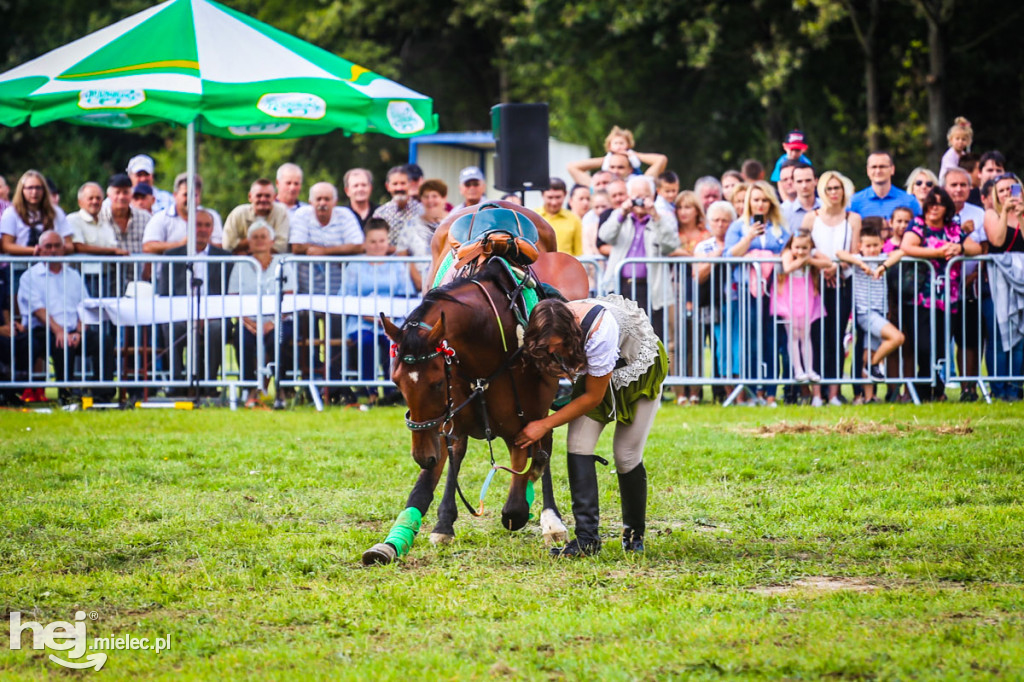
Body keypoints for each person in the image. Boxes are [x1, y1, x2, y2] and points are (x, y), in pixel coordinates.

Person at [514, 294, 668, 556]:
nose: (551, 351)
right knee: (578, 445)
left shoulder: (598, 331)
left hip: (637, 371)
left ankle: (634, 534)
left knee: (626, 455)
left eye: (555, 346)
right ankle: (587, 540)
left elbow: (593, 397)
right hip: (601, 374)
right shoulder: (547, 325)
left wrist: (545, 424)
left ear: (568, 333)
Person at [17, 230, 115, 402]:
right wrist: (60, 331)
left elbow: (85, 307)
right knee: (62, 343)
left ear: (63, 249)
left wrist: (79, 331)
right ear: (39, 250)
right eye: (48, 246)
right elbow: (38, 311)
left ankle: (103, 393)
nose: (53, 250)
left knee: (103, 340)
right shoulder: (29, 276)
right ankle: (66, 393)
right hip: (43, 330)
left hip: (73, 329)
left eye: (57, 246)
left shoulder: (74, 275)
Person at [724, 180, 790, 407]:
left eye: (764, 200)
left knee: (772, 342)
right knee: (750, 342)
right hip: (746, 291)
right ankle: (752, 393)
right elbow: (729, 255)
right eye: (756, 200)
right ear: (749, 202)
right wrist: (749, 238)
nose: (760, 204)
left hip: (774, 291)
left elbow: (786, 252)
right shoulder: (738, 227)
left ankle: (771, 393)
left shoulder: (781, 227)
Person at [899, 187, 968, 400]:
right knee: (923, 345)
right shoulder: (918, 224)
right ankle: (924, 388)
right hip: (921, 296)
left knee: (940, 346)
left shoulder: (953, 228)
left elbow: (974, 247)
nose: (934, 208)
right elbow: (907, 246)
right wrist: (938, 252)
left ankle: (935, 390)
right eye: (930, 203)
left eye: (938, 204)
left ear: (946, 207)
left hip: (948, 297)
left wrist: (960, 249)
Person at [340, 220, 418, 406]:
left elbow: (405, 294)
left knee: (392, 345)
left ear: (387, 242)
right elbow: (346, 297)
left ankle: (393, 392)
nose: (377, 246)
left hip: (393, 321)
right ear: (365, 243)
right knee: (366, 342)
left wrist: (387, 320)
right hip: (362, 320)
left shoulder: (398, 265)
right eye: (373, 241)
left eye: (381, 241)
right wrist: (372, 317)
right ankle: (370, 391)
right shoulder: (354, 266)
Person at [157, 209, 233, 397]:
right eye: (198, 225)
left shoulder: (224, 257)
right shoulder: (172, 256)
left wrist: (208, 317)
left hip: (214, 315)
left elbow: (228, 295)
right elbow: (166, 294)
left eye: (207, 225)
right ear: (189, 227)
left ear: (212, 229)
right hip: (180, 315)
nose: (202, 229)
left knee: (216, 328)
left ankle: (209, 384)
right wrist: (188, 317)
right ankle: (176, 383)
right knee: (171, 327)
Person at [803, 170, 862, 406]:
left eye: (837, 188)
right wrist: (824, 266)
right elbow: (802, 248)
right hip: (815, 285)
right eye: (829, 188)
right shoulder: (811, 218)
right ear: (822, 191)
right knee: (816, 337)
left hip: (842, 282)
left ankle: (834, 392)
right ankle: (817, 393)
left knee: (837, 337)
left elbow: (854, 252)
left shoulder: (853, 218)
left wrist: (836, 267)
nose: (834, 193)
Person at [598, 175, 681, 341]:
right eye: (636, 197)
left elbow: (671, 244)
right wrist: (622, 212)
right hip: (621, 286)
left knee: (653, 338)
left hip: (651, 288)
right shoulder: (619, 215)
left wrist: (655, 216)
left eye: (645, 197)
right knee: (621, 339)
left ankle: (655, 368)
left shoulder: (662, 218)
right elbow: (604, 235)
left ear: (654, 197)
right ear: (629, 197)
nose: (641, 201)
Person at [228, 220, 296, 407]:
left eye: (263, 237)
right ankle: (250, 388)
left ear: (271, 241)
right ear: (249, 242)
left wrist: (271, 324)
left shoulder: (283, 264)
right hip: (248, 322)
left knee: (278, 340)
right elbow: (233, 298)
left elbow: (289, 299)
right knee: (243, 339)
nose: (259, 241)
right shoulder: (241, 265)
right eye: (255, 237)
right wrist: (250, 324)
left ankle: (280, 389)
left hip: (279, 321)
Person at [837, 220, 905, 403]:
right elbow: (840, 253)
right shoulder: (859, 261)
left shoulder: (882, 259)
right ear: (860, 246)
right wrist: (861, 264)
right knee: (897, 338)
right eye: (868, 245)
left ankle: (869, 396)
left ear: (881, 244)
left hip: (880, 311)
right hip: (866, 313)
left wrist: (882, 267)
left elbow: (900, 252)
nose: (872, 249)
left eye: (875, 245)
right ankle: (875, 366)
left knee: (869, 353)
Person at [772, 229, 829, 405]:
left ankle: (809, 368)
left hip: (806, 296)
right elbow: (788, 267)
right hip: (789, 296)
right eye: (797, 247)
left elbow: (828, 262)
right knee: (793, 335)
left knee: (806, 334)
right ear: (792, 245)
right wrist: (803, 260)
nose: (801, 251)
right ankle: (798, 369)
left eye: (805, 248)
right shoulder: (788, 253)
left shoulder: (810, 254)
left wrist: (809, 259)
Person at [945, 167, 987, 402]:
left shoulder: (979, 213)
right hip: (941, 289)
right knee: (938, 338)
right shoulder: (938, 211)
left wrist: (973, 277)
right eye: (953, 185)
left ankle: (968, 387)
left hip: (970, 288)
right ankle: (935, 387)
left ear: (970, 188)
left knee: (969, 339)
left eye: (963, 185)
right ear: (945, 187)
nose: (958, 189)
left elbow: (985, 248)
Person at [982, 173, 1024, 401]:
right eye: (1002, 190)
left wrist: (1021, 216)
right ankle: (998, 390)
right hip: (997, 285)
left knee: (1020, 338)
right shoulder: (991, 214)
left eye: (1012, 189)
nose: (1008, 194)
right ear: (995, 195)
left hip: (1021, 285)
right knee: (998, 338)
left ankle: (1015, 387)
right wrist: (1005, 213)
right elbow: (997, 241)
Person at [694, 201, 740, 403]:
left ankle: (744, 393)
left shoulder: (738, 243)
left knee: (741, 346)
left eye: (725, 220)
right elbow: (698, 275)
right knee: (723, 347)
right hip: (715, 303)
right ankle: (730, 392)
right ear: (709, 222)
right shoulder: (704, 246)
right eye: (716, 220)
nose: (721, 224)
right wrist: (715, 256)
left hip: (739, 301)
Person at [289, 181, 365, 295]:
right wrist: (340, 251)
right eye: (318, 199)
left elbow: (359, 246)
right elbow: (297, 246)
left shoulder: (345, 215)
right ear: (310, 202)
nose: (322, 203)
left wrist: (324, 251)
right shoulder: (302, 214)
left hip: (339, 291)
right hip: (306, 290)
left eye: (327, 199)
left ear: (335, 202)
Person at [669, 191, 709, 404]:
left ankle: (695, 391)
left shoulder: (706, 234)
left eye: (688, 207)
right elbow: (667, 251)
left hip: (700, 291)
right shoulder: (672, 233)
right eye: (680, 207)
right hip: (675, 288)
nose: (683, 212)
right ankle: (679, 393)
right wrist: (690, 255)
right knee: (676, 342)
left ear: (697, 211)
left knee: (696, 342)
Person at [142, 173, 224, 254]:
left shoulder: (210, 216)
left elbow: (220, 246)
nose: (190, 200)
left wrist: (202, 243)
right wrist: (181, 245)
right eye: (186, 195)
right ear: (175, 195)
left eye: (195, 195)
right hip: (171, 267)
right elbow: (148, 246)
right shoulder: (161, 218)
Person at [1, 170, 73, 255]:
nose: (34, 192)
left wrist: (56, 249)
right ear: (22, 190)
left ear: (44, 190)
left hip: (51, 266)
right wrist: (35, 251)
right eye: (30, 188)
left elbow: (69, 245)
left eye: (38, 188)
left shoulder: (56, 211)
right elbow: (6, 246)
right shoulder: (11, 212)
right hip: (21, 267)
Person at [223, 178, 291, 254]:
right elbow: (228, 245)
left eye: (267, 196)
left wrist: (248, 250)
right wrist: (264, 242)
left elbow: (281, 246)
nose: (263, 199)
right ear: (250, 197)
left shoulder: (281, 213)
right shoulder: (238, 213)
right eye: (259, 195)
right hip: (240, 264)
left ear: (274, 197)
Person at [851, 151, 921, 220]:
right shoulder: (855, 202)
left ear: (892, 169)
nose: (878, 171)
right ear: (868, 171)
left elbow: (919, 228)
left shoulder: (909, 201)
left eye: (882, 167)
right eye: (874, 167)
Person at [372, 166, 425, 251]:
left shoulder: (422, 211)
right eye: (395, 184)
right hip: (388, 262)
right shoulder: (380, 214)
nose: (399, 188)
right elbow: (375, 245)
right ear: (388, 186)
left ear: (410, 184)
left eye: (403, 183)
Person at [539, 178, 583, 256]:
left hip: (567, 266)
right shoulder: (534, 217)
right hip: (540, 266)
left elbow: (579, 252)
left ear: (565, 194)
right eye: (550, 197)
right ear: (542, 195)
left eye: (558, 197)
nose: (554, 202)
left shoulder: (574, 219)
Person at [782, 162, 820, 233]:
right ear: (793, 184)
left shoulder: (826, 207)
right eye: (799, 181)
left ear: (816, 181)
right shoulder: (784, 213)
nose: (804, 185)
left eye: (808, 180)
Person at [939, 117, 973, 183]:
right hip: (946, 182)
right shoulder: (949, 156)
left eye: (963, 139)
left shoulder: (964, 154)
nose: (960, 142)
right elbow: (952, 171)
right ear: (951, 140)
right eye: (957, 139)